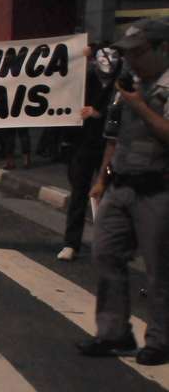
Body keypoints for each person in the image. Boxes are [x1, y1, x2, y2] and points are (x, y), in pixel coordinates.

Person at [76, 18, 169, 366]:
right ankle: (114, 333)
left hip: (158, 189)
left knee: (160, 270)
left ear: (164, 49)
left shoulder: (158, 89)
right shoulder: (127, 86)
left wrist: (140, 105)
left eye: (139, 53)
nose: (131, 61)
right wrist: (102, 178)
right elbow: (114, 138)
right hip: (120, 185)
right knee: (105, 255)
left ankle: (161, 340)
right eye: (127, 54)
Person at [57, 45, 120, 261]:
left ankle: (109, 244)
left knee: (110, 195)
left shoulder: (121, 82)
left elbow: (123, 113)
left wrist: (98, 114)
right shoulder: (86, 78)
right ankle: (71, 243)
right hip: (84, 144)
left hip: (111, 146)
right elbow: (63, 81)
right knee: (78, 193)